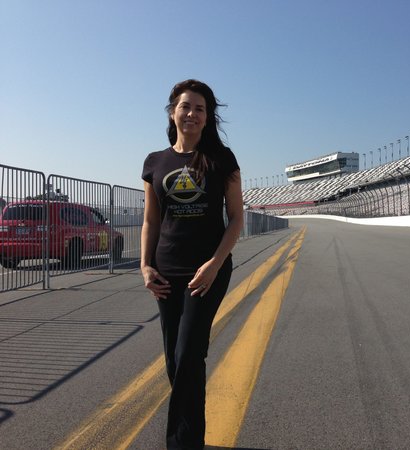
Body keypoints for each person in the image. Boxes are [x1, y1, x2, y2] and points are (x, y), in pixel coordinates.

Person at [141, 79, 243, 449]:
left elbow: (236, 219)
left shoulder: (223, 159)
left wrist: (215, 264)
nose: (192, 114)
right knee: (176, 361)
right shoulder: (155, 163)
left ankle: (181, 444)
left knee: (188, 354)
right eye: (186, 106)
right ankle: (191, 437)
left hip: (208, 272)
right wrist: (144, 266)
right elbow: (151, 221)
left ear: (208, 117)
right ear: (173, 112)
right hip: (166, 271)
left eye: (200, 108)